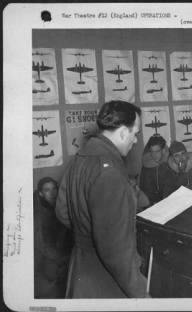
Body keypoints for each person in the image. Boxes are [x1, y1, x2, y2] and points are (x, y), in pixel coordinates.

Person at [56, 101, 148, 298]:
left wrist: (87, 233)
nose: (135, 141)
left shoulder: (80, 158)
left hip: (80, 270)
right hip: (106, 282)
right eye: (135, 134)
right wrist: (141, 294)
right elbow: (117, 252)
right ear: (123, 132)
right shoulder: (110, 172)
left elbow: (62, 211)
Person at [34, 177, 73, 298]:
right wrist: (63, 257)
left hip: (57, 255)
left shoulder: (59, 206)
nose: (52, 193)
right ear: (40, 194)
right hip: (46, 261)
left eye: (54, 188)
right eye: (47, 190)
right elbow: (41, 246)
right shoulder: (38, 214)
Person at [139, 136, 170, 205]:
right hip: (152, 204)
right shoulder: (146, 165)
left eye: (157, 151)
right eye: (152, 151)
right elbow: (144, 188)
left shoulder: (170, 163)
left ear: (163, 150)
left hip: (168, 202)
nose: (154, 155)